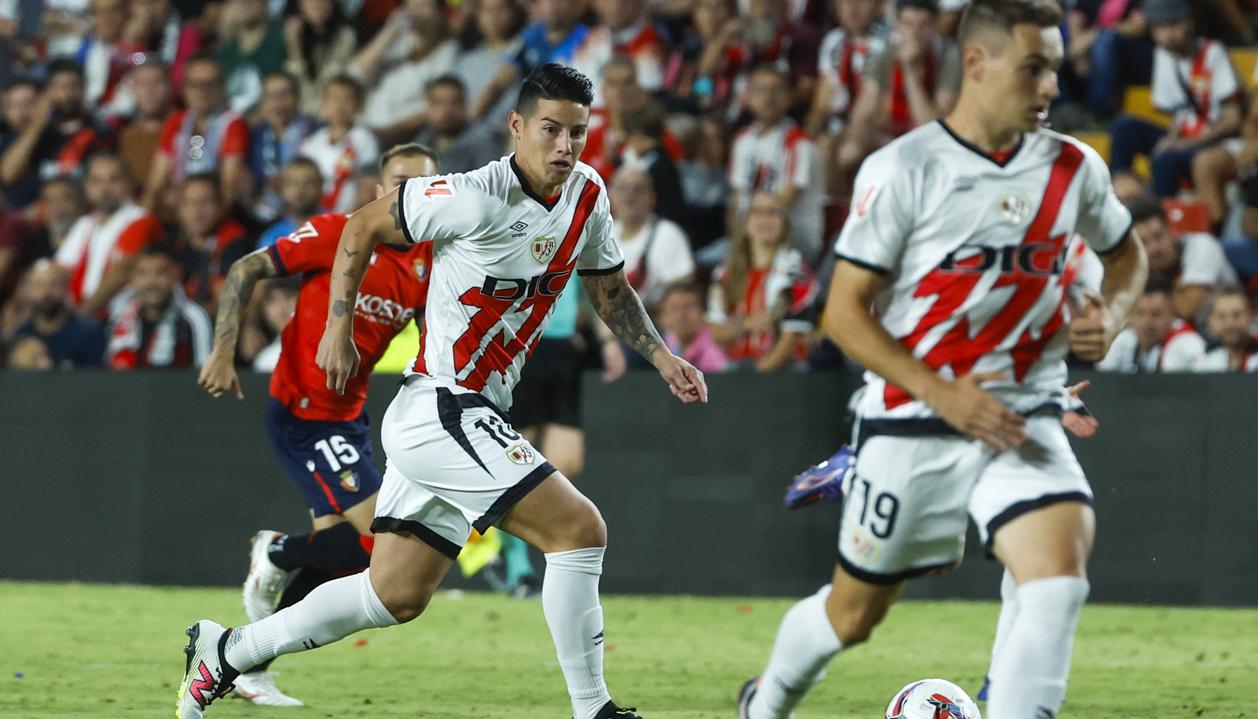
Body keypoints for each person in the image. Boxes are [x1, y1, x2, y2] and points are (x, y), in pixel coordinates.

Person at [178, 62, 708, 719]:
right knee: (579, 530)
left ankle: (226, 649)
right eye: (550, 130)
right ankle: (594, 710)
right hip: (445, 407)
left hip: (461, 412)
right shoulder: (471, 194)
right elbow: (362, 225)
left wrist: (660, 353)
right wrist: (339, 331)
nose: (565, 146)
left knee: (393, 592)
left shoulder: (589, 195)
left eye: (577, 131)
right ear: (517, 127)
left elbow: (608, 285)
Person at [737, 3, 1148, 719]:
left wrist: (1109, 317)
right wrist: (943, 394)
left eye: (1055, 66)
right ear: (979, 65)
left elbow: (1127, 254)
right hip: (913, 417)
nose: (1051, 84)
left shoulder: (1073, 166)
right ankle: (765, 703)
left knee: (1057, 575)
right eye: (1034, 67)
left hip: (1021, 412)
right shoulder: (905, 168)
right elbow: (842, 312)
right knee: (852, 615)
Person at [195, 143, 439, 706]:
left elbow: (437, 342)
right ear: (377, 188)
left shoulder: (427, 264)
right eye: (396, 182)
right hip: (306, 416)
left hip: (348, 416)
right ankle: (277, 552)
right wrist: (223, 350)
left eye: (418, 185)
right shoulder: (340, 233)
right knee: (382, 546)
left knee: (343, 559)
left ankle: (249, 664)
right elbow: (246, 267)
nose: (405, 195)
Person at [1107, 0, 1243, 198]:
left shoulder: (1213, 53)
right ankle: (1121, 187)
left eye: (1172, 25)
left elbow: (1233, 120)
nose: (1166, 35)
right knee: (1124, 127)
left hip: (1214, 143)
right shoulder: (1164, 56)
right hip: (1185, 138)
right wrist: (1173, 139)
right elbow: (1179, 114)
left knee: (1166, 159)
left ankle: (1163, 214)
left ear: (1188, 24)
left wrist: (1187, 143)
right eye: (1159, 28)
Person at [709, 191, 816, 373]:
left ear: (784, 222)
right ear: (746, 222)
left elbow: (794, 333)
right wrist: (745, 324)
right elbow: (714, 331)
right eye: (757, 212)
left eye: (773, 213)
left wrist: (761, 374)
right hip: (735, 370)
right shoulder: (724, 273)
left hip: (785, 371)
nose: (765, 220)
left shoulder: (796, 269)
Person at [728, 65, 825, 261]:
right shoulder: (742, 140)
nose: (768, 98)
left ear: (789, 97)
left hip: (794, 239)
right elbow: (737, 201)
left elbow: (782, 205)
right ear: (748, 96)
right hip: (752, 235)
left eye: (776, 90)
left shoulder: (799, 143)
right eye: (760, 90)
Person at [53, 153, 165, 317]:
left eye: (114, 180)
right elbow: (60, 269)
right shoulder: (85, 224)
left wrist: (82, 316)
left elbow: (123, 271)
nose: (105, 189)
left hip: (119, 316)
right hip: (79, 314)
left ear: (129, 183)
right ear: (87, 186)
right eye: (96, 181)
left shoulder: (140, 220)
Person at [145, 54, 251, 216]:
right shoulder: (176, 122)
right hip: (180, 209)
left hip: (214, 211)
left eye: (209, 84)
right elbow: (155, 182)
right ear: (185, 88)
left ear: (222, 87)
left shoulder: (232, 123)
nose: (202, 92)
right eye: (195, 85)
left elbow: (229, 185)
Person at [1128, 192, 1236, 325]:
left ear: (1171, 229)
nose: (1154, 249)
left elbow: (1187, 309)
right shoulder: (1139, 264)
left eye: (1158, 236)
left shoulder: (1202, 246)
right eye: (1144, 243)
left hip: (1230, 330)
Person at [105, 243, 213, 369]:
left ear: (175, 275)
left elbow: (205, 372)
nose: (151, 282)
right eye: (142, 274)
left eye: (160, 273)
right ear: (133, 279)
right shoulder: (119, 316)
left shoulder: (194, 318)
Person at [610, 165, 696, 309]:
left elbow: (683, 284)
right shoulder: (602, 233)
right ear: (611, 195)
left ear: (652, 197)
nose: (630, 196)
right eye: (623, 188)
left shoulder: (668, 234)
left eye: (638, 189)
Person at [300, 75, 380, 214]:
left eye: (347, 99)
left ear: (358, 106)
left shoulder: (364, 139)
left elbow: (369, 185)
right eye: (334, 98)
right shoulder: (310, 145)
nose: (340, 105)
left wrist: (350, 219)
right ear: (323, 104)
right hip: (315, 217)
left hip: (350, 215)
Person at [9, 260, 106, 368]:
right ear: (27, 290)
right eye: (38, 285)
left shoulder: (90, 333)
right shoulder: (18, 335)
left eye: (54, 285)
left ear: (67, 287)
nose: (46, 292)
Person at [248, 71, 317, 223]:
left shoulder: (315, 131)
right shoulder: (253, 136)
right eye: (270, 96)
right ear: (262, 103)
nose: (277, 103)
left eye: (284, 94)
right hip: (261, 216)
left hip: (307, 215)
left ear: (298, 98)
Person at [1097, 285, 1206, 372]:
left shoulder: (1186, 343)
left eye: (1156, 314)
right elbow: (1102, 377)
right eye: (1140, 314)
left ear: (1172, 316)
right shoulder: (1123, 339)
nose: (1147, 322)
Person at [282, 0, 358, 116]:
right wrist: (295, 48)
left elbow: (324, 88)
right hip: (299, 116)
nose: (318, 4)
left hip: (332, 113)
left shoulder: (345, 36)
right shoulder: (288, 36)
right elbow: (294, 90)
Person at [659, 281, 730, 373]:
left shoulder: (719, 345)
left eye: (689, 307)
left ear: (703, 313)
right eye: (674, 308)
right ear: (663, 317)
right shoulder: (656, 347)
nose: (682, 315)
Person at [256, 157, 324, 249]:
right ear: (282, 188)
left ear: (320, 186)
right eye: (293, 183)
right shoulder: (271, 239)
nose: (300, 191)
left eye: (308, 183)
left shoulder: (338, 228)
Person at [1193, 288, 1258, 372]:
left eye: (1237, 315)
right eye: (1221, 316)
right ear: (1211, 321)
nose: (1229, 324)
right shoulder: (1205, 359)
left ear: (1251, 316)